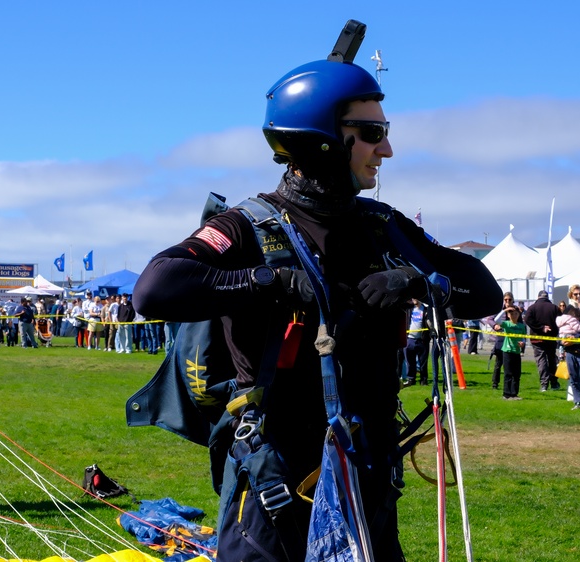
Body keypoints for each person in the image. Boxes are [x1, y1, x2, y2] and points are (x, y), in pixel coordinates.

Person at [132, 27, 502, 560]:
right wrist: (269, 282)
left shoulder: (384, 226)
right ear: (325, 138)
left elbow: (482, 291)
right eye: (373, 131)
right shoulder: (248, 229)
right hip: (274, 479)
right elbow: (155, 288)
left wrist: (417, 281)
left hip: (366, 475)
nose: (387, 148)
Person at [524, 290, 562, 392]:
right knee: (552, 360)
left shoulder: (532, 308)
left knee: (541, 361)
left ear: (538, 297)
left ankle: (544, 384)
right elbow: (561, 321)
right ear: (547, 297)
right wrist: (554, 330)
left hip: (537, 339)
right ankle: (554, 383)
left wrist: (540, 328)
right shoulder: (554, 308)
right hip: (551, 339)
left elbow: (527, 319)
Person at [494, 305, 527, 400]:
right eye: (511, 313)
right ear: (508, 315)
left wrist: (522, 343)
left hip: (516, 352)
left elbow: (523, 338)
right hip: (507, 351)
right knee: (508, 373)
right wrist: (504, 310)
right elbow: (496, 320)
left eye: (516, 313)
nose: (514, 315)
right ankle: (506, 394)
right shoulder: (506, 324)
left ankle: (514, 394)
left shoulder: (521, 326)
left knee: (516, 374)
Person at [404, 298, 431, 386]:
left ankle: (423, 380)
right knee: (410, 362)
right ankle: (411, 379)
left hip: (422, 340)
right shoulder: (409, 309)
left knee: (423, 362)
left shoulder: (426, 310)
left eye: (416, 297)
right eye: (412, 298)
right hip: (409, 339)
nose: (414, 299)